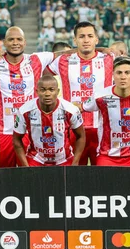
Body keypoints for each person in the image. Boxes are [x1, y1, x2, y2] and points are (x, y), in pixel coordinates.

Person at [0, 26, 60, 168]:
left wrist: (100, 50)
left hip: (31, 131)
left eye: (19, 39)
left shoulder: (36, 59)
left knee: (30, 178)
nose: (15, 43)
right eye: (11, 39)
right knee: (2, 177)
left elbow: (65, 54)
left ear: (25, 42)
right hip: (3, 133)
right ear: (4, 42)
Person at [45, 21, 115, 166]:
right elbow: (36, 71)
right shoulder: (63, 60)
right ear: (75, 40)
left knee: (102, 174)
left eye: (90, 36)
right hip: (72, 127)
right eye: (81, 36)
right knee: (73, 174)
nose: (86, 40)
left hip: (102, 126)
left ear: (96, 39)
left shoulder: (109, 59)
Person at [83, 56, 130, 167]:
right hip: (108, 156)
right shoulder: (100, 97)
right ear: (113, 75)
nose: (123, 77)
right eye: (119, 73)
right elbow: (81, 107)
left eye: (127, 72)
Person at [13, 75, 85, 166]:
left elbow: (81, 136)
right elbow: (16, 139)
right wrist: (25, 166)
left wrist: (75, 162)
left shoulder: (70, 110)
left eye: (51, 90)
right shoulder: (25, 111)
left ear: (57, 91)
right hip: (36, 159)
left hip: (64, 160)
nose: (47, 94)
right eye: (43, 90)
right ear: (37, 91)